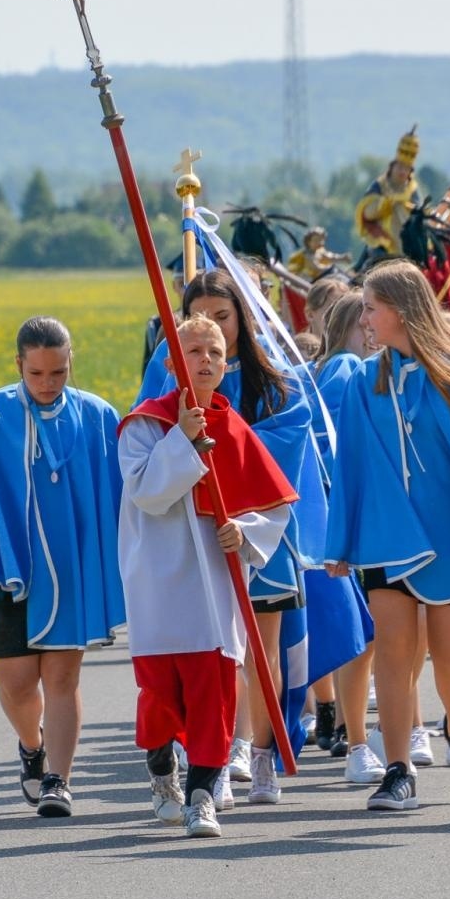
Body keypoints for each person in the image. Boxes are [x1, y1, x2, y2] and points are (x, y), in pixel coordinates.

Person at [325, 259, 450, 812]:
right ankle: (399, 769)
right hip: (385, 535)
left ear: (400, 311)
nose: (365, 318)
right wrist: (342, 542)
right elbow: (350, 461)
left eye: (372, 307)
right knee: (395, 656)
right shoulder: (362, 380)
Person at [118, 314, 296, 838]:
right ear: (172, 362)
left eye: (216, 353)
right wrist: (184, 441)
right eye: (194, 351)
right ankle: (160, 770)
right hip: (158, 581)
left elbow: (275, 508)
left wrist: (244, 532)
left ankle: (202, 798)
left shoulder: (232, 425)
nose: (207, 361)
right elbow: (148, 493)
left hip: (214, 587)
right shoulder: (144, 425)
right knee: (160, 699)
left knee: (213, 697)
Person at [0, 317, 128, 818]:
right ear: (19, 366)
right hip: (10, 566)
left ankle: (58, 778)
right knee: (16, 683)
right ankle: (31, 747)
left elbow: (118, 496)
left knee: (61, 679)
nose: (48, 384)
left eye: (57, 372)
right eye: (36, 374)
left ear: (70, 362)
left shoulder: (97, 416)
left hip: (72, 569)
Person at [313, 291, 385, 784]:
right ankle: (346, 725)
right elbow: (339, 444)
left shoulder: (330, 367)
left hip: (340, 510)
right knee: (360, 629)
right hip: (350, 510)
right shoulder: (344, 369)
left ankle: (340, 719)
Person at [353, 127, 422, 272]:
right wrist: (386, 203)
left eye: (407, 168)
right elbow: (366, 212)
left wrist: (406, 206)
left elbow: (419, 214)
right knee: (371, 268)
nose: (403, 171)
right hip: (382, 241)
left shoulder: (412, 190)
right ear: (392, 167)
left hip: (405, 246)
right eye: (400, 167)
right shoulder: (380, 185)